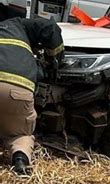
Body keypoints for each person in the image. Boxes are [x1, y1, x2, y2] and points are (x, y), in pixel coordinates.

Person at [0, 17, 64, 175]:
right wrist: (53, 59)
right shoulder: (18, 24)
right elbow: (50, 27)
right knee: (20, 134)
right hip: (17, 89)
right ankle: (20, 158)